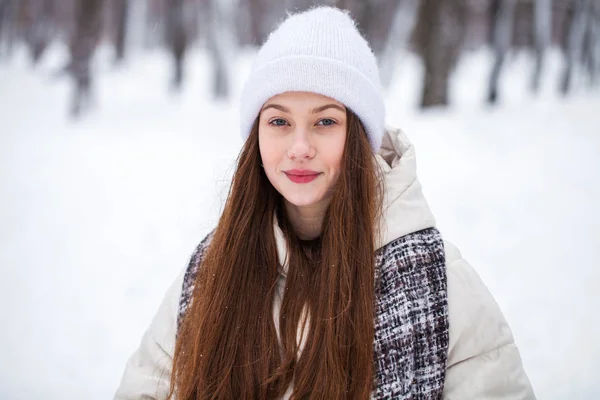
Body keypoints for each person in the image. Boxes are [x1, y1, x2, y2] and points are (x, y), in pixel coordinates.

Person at [114, 6, 536, 400]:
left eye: (325, 122)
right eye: (279, 121)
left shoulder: (434, 279)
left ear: (358, 137)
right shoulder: (211, 269)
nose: (300, 147)